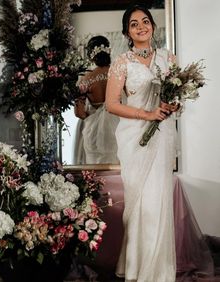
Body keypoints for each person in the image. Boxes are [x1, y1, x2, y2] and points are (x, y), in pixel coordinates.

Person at [105, 4, 178, 282]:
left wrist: (172, 106)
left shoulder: (168, 59)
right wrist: (146, 114)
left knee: (158, 200)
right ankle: (138, 268)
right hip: (135, 139)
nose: (141, 27)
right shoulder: (122, 62)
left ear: (153, 27)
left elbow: (177, 98)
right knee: (141, 203)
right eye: (134, 24)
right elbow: (111, 105)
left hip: (162, 137)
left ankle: (160, 271)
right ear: (127, 32)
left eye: (145, 21)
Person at [74, 35, 119, 165]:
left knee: (96, 169)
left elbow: (79, 113)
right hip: (118, 126)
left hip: (94, 130)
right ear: (109, 51)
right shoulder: (119, 74)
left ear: (91, 55)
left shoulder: (85, 79)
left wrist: (95, 115)